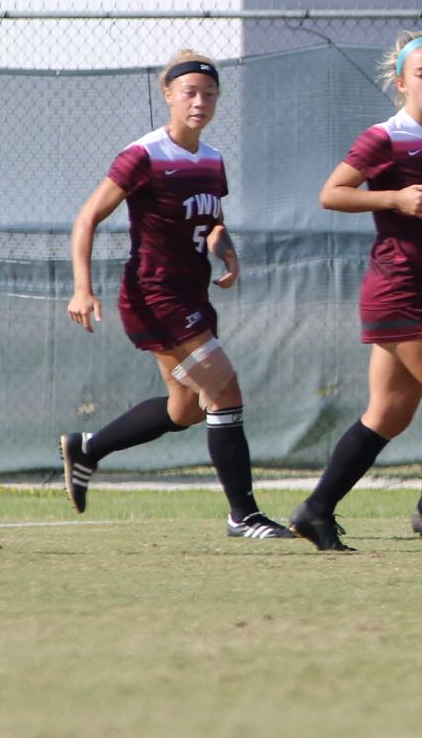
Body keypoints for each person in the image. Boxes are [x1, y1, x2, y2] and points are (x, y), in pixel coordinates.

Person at [60, 51, 293, 540]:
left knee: (184, 409)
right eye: (189, 92)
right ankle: (243, 515)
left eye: (209, 94)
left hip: (192, 296)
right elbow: (86, 219)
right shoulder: (144, 155)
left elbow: (209, 222)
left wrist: (225, 252)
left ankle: (89, 449)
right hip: (154, 295)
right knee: (224, 390)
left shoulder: (211, 160)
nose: (200, 101)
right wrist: (82, 288)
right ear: (167, 95)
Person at [288, 32, 422, 553]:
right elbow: (331, 193)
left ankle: (315, 510)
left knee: (388, 416)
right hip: (399, 290)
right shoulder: (386, 137)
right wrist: (395, 199)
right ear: (401, 82)